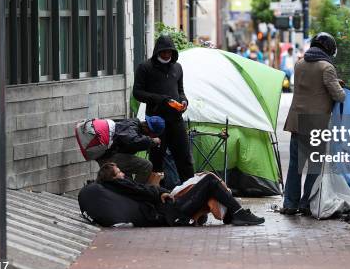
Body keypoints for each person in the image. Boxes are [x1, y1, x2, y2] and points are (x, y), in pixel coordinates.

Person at [281, 32, 346, 216]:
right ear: (328, 49)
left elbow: (312, 86)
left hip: (297, 122)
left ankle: (290, 204)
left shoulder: (299, 64)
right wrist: (339, 86)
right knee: (315, 166)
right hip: (316, 125)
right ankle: (306, 203)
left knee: (295, 166)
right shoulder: (327, 67)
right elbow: (339, 95)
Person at [96, 162, 265, 226]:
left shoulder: (119, 184)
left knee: (207, 182)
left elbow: (144, 192)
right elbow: (144, 191)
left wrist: (161, 193)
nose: (123, 174)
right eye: (118, 172)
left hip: (171, 209)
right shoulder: (120, 184)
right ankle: (238, 213)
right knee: (209, 181)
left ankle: (233, 215)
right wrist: (161, 193)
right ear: (112, 178)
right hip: (174, 212)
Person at [133, 35, 195, 183]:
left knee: (185, 157)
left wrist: (184, 101)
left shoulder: (177, 67)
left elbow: (180, 90)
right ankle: (157, 192)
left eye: (170, 51)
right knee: (157, 158)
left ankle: (191, 189)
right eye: (164, 51)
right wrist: (161, 99)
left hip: (176, 119)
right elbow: (137, 93)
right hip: (156, 121)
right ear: (157, 51)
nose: (167, 54)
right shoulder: (145, 67)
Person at [96, 116, 165, 184]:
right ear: (148, 129)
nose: (151, 136)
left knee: (127, 180)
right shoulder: (131, 125)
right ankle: (135, 192)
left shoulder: (135, 128)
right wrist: (152, 141)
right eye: (152, 135)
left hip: (111, 155)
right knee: (146, 165)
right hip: (108, 156)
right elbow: (133, 140)